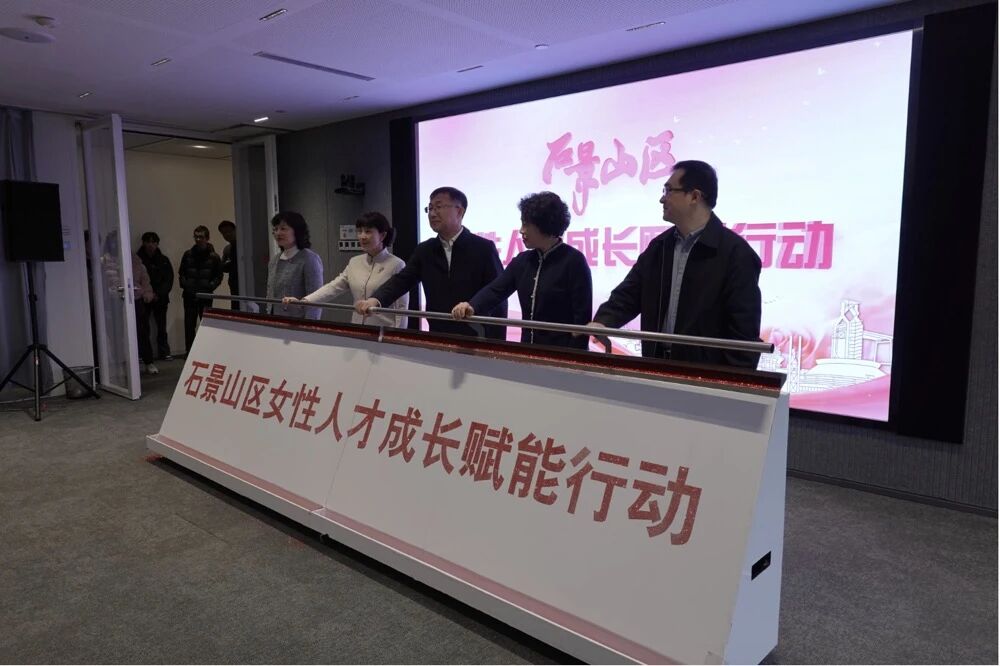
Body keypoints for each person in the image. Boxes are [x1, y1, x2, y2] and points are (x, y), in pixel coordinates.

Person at [589, 160, 763, 367]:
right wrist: (603, 321)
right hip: (656, 365)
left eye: (669, 190)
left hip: (704, 375)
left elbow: (743, 330)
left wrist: (732, 380)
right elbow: (630, 293)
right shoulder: (660, 246)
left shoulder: (735, 254)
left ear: (695, 196)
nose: (662, 199)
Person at [355, 187, 506, 339]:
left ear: (459, 211)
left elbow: (497, 294)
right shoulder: (425, 250)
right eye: (430, 208)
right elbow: (402, 280)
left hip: (476, 334)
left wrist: (498, 342)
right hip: (437, 334)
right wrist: (376, 299)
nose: (432, 214)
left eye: (439, 207)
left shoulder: (483, 248)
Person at [452, 191, 592, 349]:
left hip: (562, 352)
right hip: (527, 349)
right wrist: (471, 305)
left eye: (526, 224)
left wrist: (576, 357)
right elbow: (496, 290)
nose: (521, 230)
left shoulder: (574, 261)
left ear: (545, 225)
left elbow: (582, 317)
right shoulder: (523, 261)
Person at [285, 212, 408, 327]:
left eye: (368, 231)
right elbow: (333, 287)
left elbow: (402, 307)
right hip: (357, 329)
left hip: (384, 331)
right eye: (359, 231)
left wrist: (399, 335)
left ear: (382, 235)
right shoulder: (355, 262)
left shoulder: (396, 264)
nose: (362, 236)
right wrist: (304, 301)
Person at [266, 211, 324, 319]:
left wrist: (310, 325)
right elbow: (270, 293)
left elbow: (316, 298)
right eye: (275, 229)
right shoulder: (274, 260)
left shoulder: (309, 258)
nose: (278, 233)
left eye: (283, 228)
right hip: (274, 320)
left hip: (298, 322)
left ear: (297, 231)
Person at [178, 225, 224, 352]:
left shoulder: (214, 257)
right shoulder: (188, 255)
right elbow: (182, 273)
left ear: (207, 238)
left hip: (205, 296)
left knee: (206, 326)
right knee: (189, 326)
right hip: (189, 295)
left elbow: (219, 276)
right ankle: (189, 352)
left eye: (201, 237)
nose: (198, 239)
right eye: (196, 237)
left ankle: (206, 352)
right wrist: (186, 285)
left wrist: (210, 286)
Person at [136, 232, 174, 361]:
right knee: (142, 328)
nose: (150, 245)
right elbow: (136, 280)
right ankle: (143, 354)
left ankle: (164, 352)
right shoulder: (137, 260)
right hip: (143, 298)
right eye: (148, 241)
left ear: (157, 243)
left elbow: (168, 280)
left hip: (160, 298)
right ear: (143, 243)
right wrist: (146, 293)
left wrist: (157, 294)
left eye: (153, 242)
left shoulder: (164, 260)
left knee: (161, 327)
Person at [132, 259, 157, 374]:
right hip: (117, 302)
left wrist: (148, 294)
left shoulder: (138, 264)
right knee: (120, 335)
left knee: (143, 333)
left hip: (137, 300)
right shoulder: (107, 261)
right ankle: (126, 365)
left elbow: (146, 283)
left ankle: (149, 362)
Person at [218, 220, 239, 310]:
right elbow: (222, 267)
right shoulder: (227, 249)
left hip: (247, 284)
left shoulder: (245, 246)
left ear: (235, 230)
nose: (227, 235)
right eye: (224, 233)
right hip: (234, 284)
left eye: (229, 231)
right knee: (235, 308)